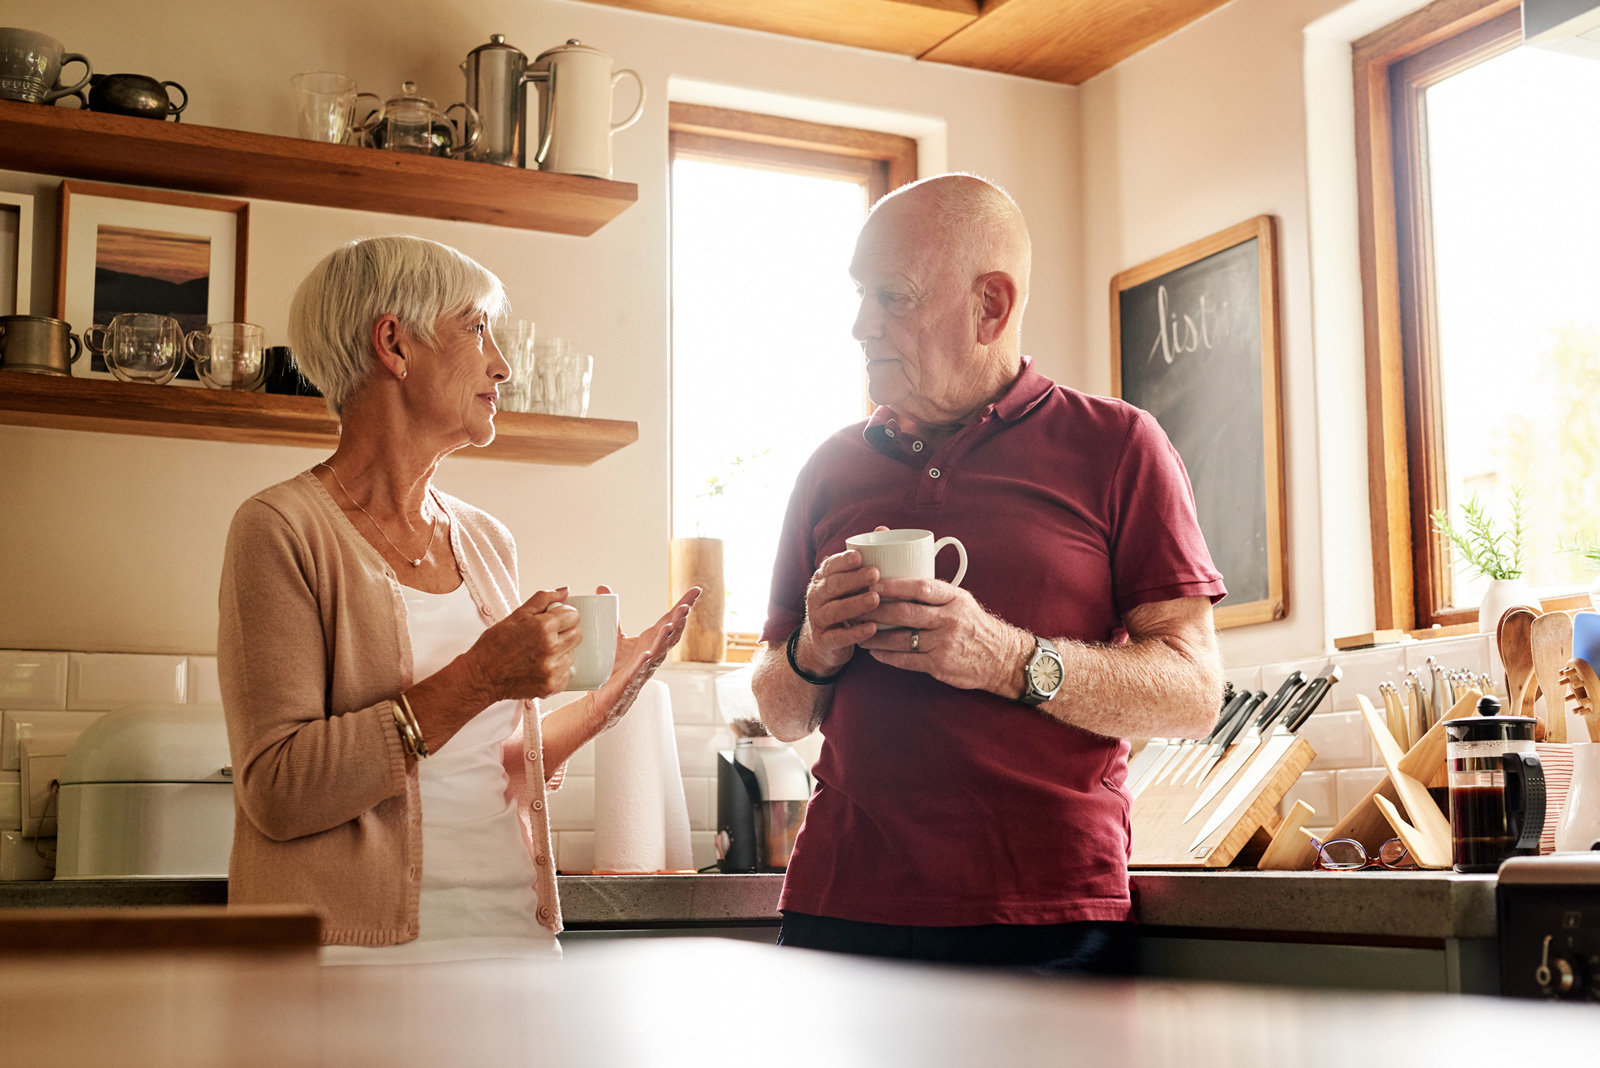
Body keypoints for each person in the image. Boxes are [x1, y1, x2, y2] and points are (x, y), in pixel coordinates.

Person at [751, 174, 1226, 973]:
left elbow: (1192, 692)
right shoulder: (828, 470)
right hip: (840, 911)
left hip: (1047, 919)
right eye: (860, 296)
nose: (860, 324)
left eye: (891, 297)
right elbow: (780, 709)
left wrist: (1009, 661)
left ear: (991, 306)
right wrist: (810, 652)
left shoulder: (1118, 447)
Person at [218, 235, 697, 963]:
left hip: (513, 942)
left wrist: (599, 708)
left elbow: (483, 765)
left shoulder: (484, 540)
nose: (501, 363)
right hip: (351, 963)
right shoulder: (280, 530)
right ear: (394, 344)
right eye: (477, 330)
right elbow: (280, 792)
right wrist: (477, 678)